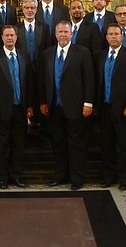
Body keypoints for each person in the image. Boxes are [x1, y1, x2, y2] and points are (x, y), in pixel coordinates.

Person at [40, 20, 95, 190]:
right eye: (60, 32)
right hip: (55, 107)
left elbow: (89, 79)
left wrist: (88, 103)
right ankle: (60, 175)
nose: (63, 35)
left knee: (76, 144)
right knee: (59, 143)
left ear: (72, 34)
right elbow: (43, 80)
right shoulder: (47, 54)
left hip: (76, 107)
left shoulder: (82, 52)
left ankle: (77, 178)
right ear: (55, 35)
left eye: (66, 32)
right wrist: (43, 101)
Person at [0, 25, 34, 188]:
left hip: (20, 108)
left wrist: (29, 105)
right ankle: (2, 177)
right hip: (1, 109)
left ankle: (16, 175)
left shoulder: (24, 55)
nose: (10, 38)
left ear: (16, 37)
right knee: (1, 145)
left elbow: (28, 82)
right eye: (6, 36)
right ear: (2, 38)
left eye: (12, 35)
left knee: (18, 144)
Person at [96, 23, 126, 190]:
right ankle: (109, 177)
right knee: (107, 144)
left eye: (117, 34)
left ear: (122, 36)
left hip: (124, 109)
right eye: (111, 34)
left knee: (124, 145)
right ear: (106, 37)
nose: (114, 36)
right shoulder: (100, 56)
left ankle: (124, 179)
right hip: (105, 107)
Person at [15, 0, 50, 74]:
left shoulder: (44, 27)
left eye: (32, 8)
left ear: (36, 10)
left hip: (40, 69)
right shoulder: (16, 28)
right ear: (23, 10)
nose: (29, 10)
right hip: (22, 69)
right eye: (27, 8)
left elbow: (48, 48)